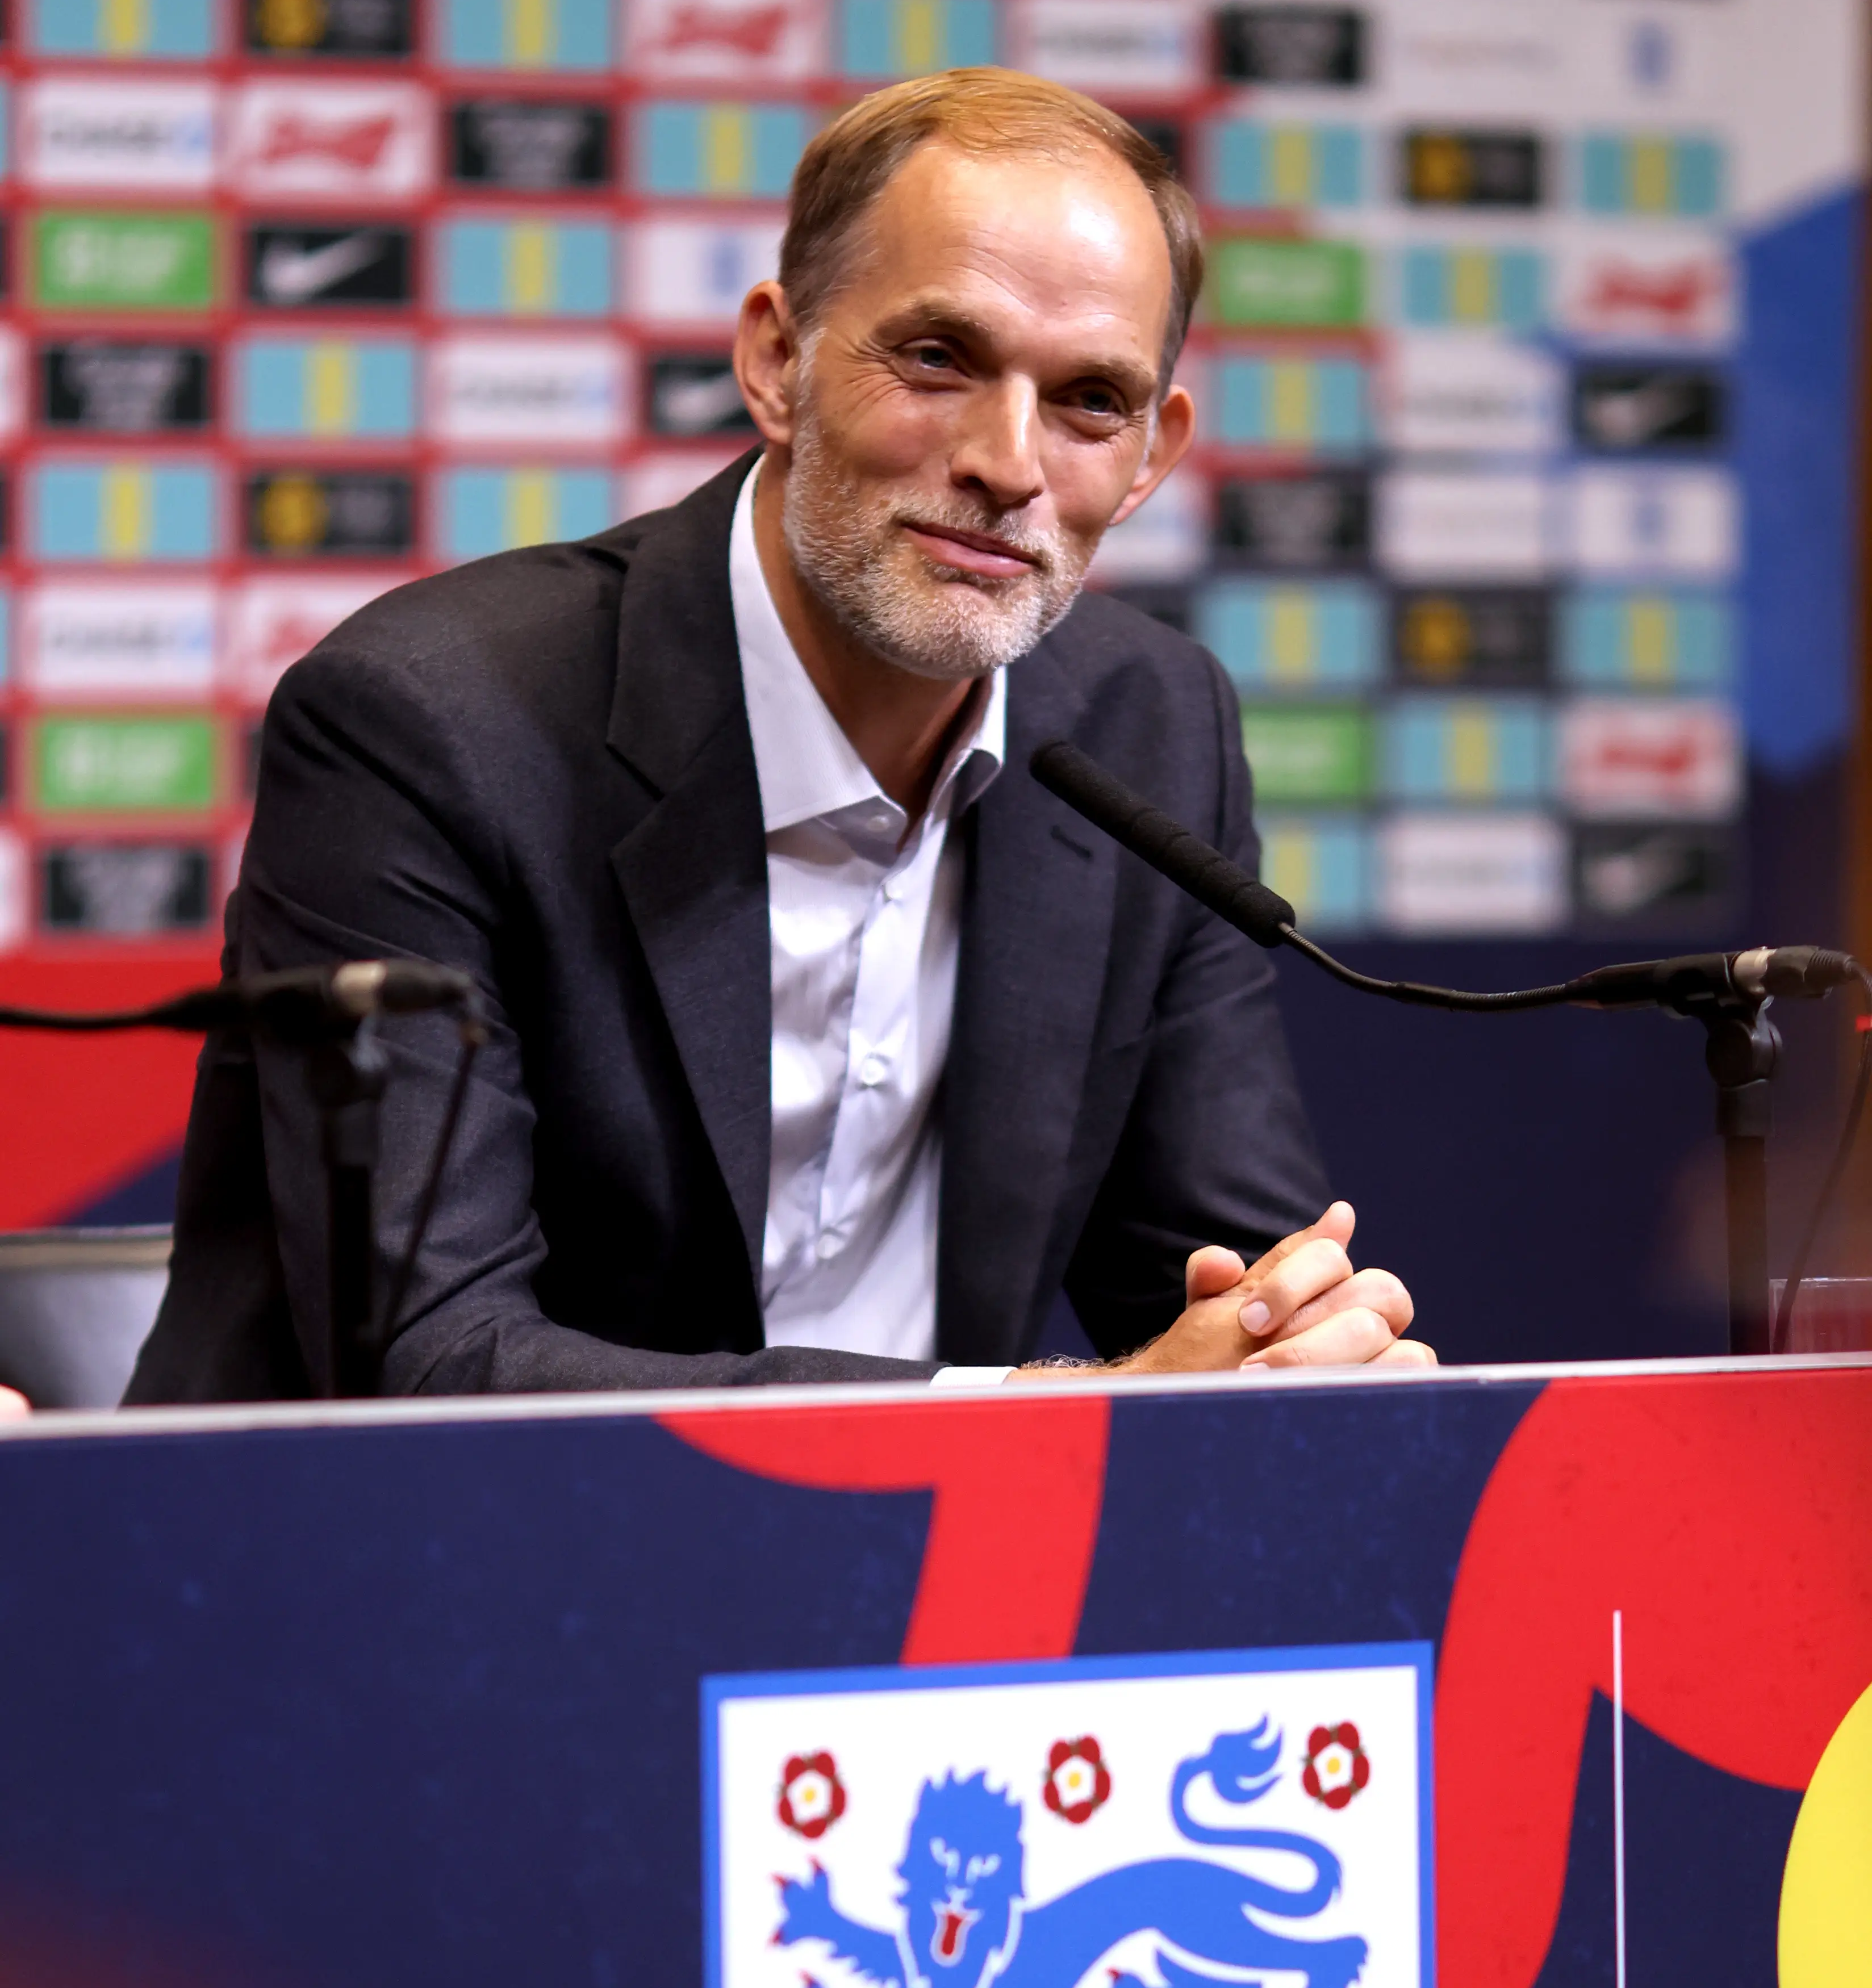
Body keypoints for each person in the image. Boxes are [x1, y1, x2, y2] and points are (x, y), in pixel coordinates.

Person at [128, 69, 1434, 1405]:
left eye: (1090, 400)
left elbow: (1222, 1285)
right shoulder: (429, 721)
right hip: (403, 1569)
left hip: (938, 1584)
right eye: (938, 359)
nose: (1008, 460)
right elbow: (434, 1355)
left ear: (1153, 455)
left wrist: (1293, 1342)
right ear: (774, 362)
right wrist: (1025, 1417)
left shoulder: (1151, 726)